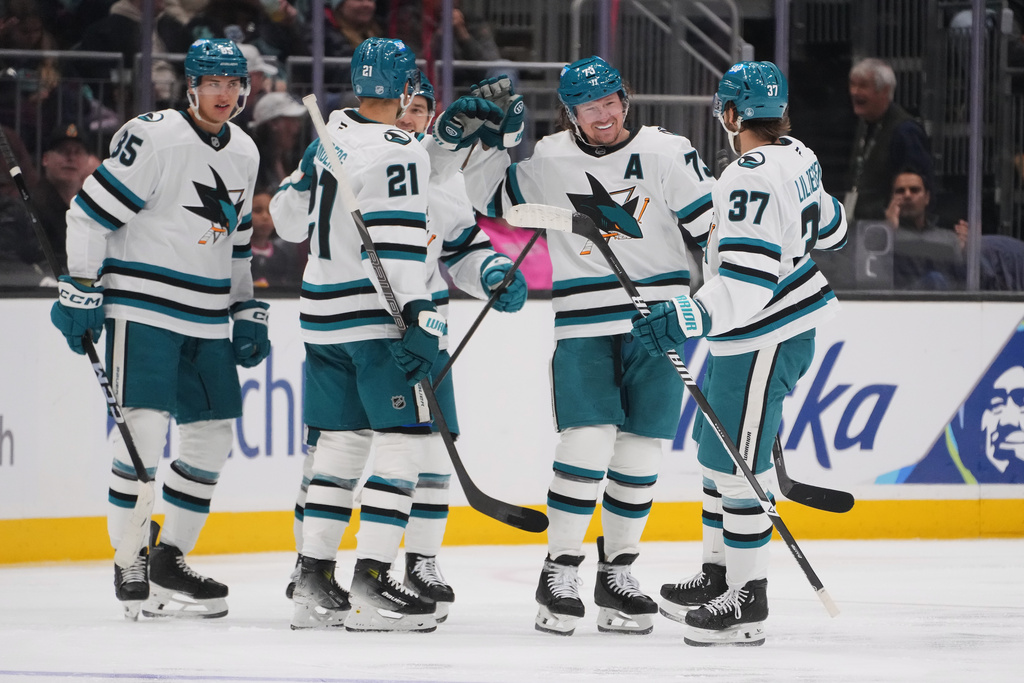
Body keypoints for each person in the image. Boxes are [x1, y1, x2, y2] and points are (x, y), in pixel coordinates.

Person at [431, 56, 716, 636]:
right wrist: (491, 144)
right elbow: (496, 202)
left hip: (658, 322)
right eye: (589, 107)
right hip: (583, 323)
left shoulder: (668, 152)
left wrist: (703, 307)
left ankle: (618, 576)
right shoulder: (550, 157)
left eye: (610, 102)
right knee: (587, 443)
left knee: (641, 453)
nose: (603, 115)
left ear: (624, 100)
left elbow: (715, 231)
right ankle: (558, 572)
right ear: (570, 113)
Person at [280, 70, 528, 626]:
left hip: (361, 319)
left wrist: (492, 272)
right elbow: (387, 250)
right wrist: (416, 313)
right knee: (377, 449)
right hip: (392, 323)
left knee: (403, 451)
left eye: (420, 109)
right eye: (405, 105)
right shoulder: (384, 156)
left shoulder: (427, 172)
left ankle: (406, 566)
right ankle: (352, 575)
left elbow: (463, 247)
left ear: (433, 117)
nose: (409, 117)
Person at [49, 38, 269, 621]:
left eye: (233, 83)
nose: (224, 94)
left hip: (207, 314)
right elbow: (87, 214)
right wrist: (81, 285)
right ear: (191, 86)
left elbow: (238, 242)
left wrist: (245, 307)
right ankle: (130, 557)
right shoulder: (154, 137)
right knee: (141, 437)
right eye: (213, 82)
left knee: (213, 436)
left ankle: (169, 557)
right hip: (144, 309)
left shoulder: (245, 150)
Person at [629, 61, 848, 646]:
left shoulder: (745, 176)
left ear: (730, 114)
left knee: (736, 466)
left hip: (764, 334)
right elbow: (834, 229)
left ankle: (747, 600)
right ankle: (719, 573)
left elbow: (749, 284)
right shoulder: (799, 155)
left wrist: (688, 316)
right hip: (753, 333)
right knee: (717, 456)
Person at [269, 37, 446, 633]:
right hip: (375, 320)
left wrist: (304, 175)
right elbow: (396, 244)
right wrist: (419, 313)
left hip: (322, 317)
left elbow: (286, 222)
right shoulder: (402, 148)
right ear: (404, 88)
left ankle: (313, 581)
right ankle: (371, 581)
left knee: (340, 446)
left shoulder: (332, 134)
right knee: (402, 442)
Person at [845, 58, 932, 224]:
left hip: (893, 229)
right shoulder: (866, 123)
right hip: (861, 224)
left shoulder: (906, 131)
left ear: (884, 91)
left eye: (862, 86)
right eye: (852, 84)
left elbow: (919, 189)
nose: (854, 92)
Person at [19, 124, 94, 273]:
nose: (71, 158)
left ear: (87, 161)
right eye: (63, 151)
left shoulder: (92, 208)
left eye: (78, 152)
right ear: (45, 159)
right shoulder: (30, 206)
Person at [884, 169, 964, 290]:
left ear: (927, 198)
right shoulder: (882, 238)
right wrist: (888, 230)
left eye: (914, 190)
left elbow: (962, 284)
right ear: (892, 198)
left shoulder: (948, 238)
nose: (907, 195)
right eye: (900, 191)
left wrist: (968, 250)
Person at [250, 91, 307, 189]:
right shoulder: (253, 161)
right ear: (274, 123)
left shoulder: (288, 160)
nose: (297, 126)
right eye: (292, 120)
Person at [250, 186, 302, 289]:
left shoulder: (283, 256)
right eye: (257, 210)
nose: (265, 216)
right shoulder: (236, 252)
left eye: (270, 211)